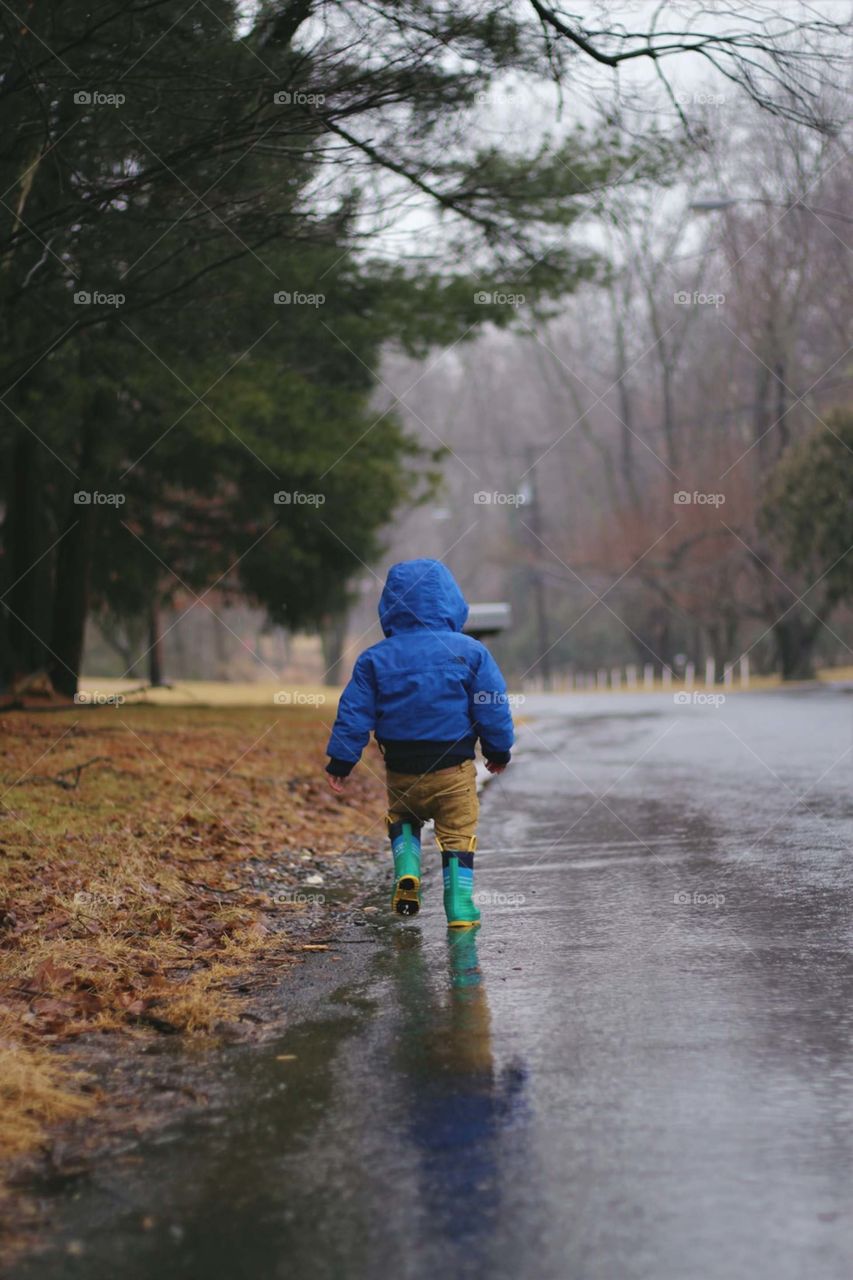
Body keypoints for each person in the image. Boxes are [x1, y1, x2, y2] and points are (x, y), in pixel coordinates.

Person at [324, 558, 514, 927]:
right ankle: (459, 904)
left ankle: (407, 868)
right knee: (457, 831)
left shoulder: (374, 659)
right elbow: (491, 705)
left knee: (403, 817)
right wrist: (497, 750)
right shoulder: (471, 651)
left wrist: (341, 762)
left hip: (401, 770)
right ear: (450, 601)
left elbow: (354, 713)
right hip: (453, 769)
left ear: (390, 605)